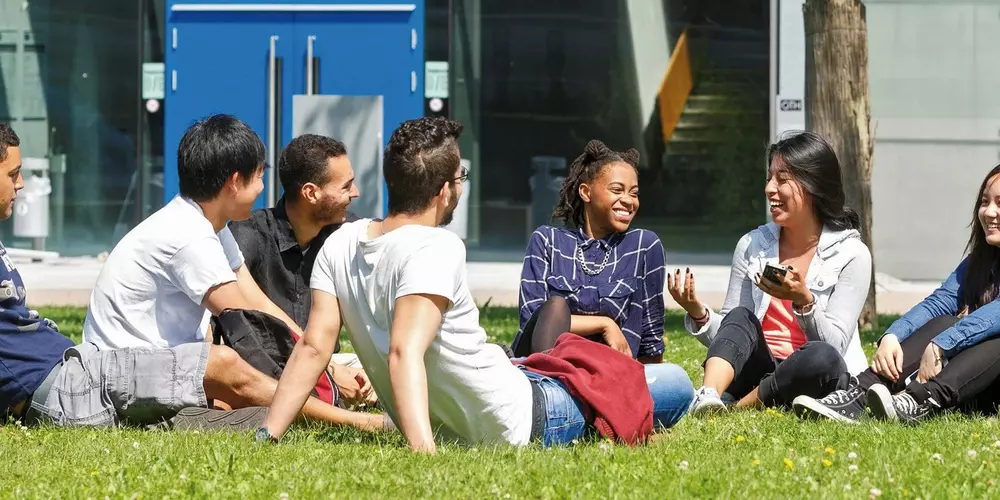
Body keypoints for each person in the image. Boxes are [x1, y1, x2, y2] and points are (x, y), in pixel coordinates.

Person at [258, 118, 694, 451]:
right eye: (460, 179)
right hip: (527, 418)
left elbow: (314, 348)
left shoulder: (342, 243)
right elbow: (403, 351)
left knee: (590, 371)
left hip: (513, 383)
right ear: (446, 191)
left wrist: (267, 435)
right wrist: (423, 454)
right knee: (675, 383)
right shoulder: (437, 247)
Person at [0, 122, 383, 431]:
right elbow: (249, 322)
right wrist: (324, 369)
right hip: (128, 370)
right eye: (259, 178)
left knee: (256, 381)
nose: (265, 189)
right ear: (234, 181)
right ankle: (355, 421)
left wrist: (326, 362)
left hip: (157, 368)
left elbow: (258, 302)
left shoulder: (209, 226)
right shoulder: (187, 235)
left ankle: (321, 403)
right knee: (228, 364)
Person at [674, 131, 872, 414]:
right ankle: (708, 396)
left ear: (813, 185)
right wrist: (698, 314)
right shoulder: (752, 245)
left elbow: (835, 346)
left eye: (781, 179)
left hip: (808, 373)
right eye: (770, 178)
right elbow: (732, 335)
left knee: (822, 357)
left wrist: (805, 302)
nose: (769, 189)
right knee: (741, 315)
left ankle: (739, 408)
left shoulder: (852, 254)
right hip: (757, 367)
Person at [793, 163, 1000, 424]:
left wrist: (942, 344)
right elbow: (939, 304)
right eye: (985, 202)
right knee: (945, 320)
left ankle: (920, 400)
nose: (989, 212)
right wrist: (893, 335)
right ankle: (858, 394)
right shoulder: (978, 262)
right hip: (975, 381)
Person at [228, 134, 374, 406]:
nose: (355, 193)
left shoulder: (349, 235)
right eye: (346, 186)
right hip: (263, 367)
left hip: (329, 364)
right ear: (310, 193)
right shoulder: (249, 234)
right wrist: (327, 371)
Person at [511, 140, 666, 363]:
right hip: (549, 367)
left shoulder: (644, 245)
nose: (629, 201)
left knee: (676, 381)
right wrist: (604, 324)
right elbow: (532, 320)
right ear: (586, 192)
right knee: (555, 306)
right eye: (617, 190)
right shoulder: (547, 240)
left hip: (608, 373)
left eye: (634, 193)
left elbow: (651, 341)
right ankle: (547, 386)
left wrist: (653, 387)